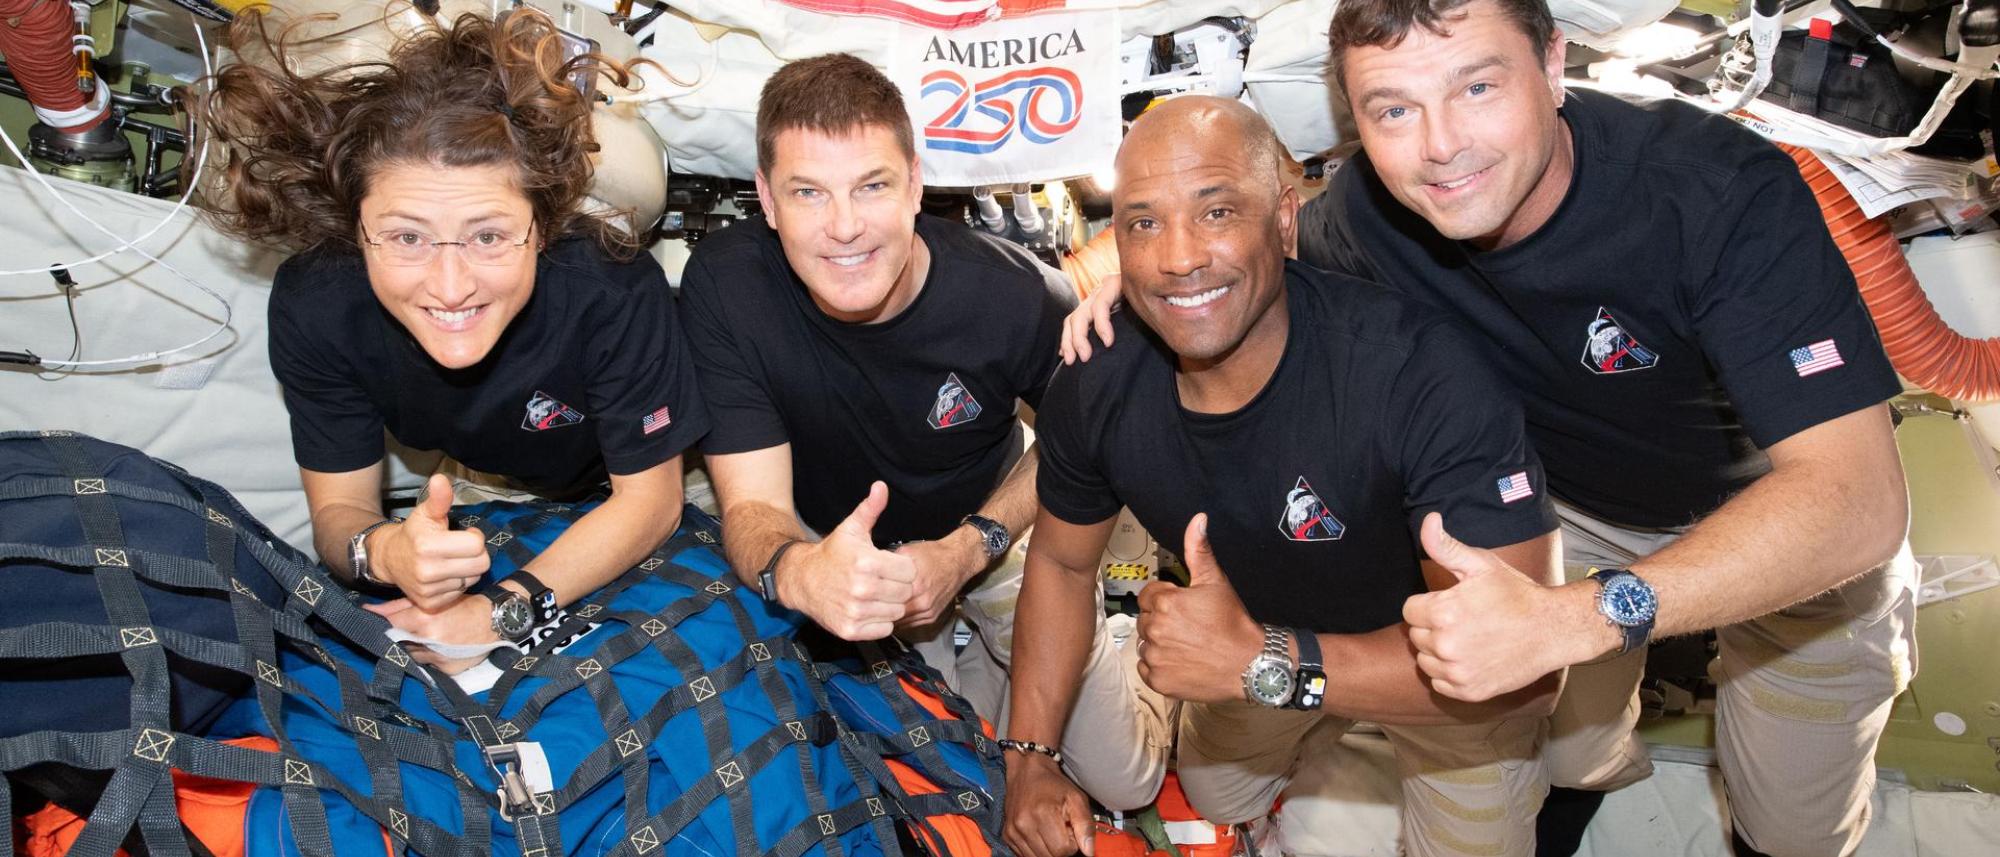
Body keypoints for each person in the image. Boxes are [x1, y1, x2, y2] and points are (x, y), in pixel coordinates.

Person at [1063, 1, 1914, 854]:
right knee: (1576, 754)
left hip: (1784, 515)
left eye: (1476, 85)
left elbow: (1857, 498)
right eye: (1393, 108)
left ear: (1553, 63)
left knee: (1794, 826)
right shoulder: (1368, 212)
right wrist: (1138, 285)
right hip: (1565, 510)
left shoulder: (1710, 190)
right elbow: (1245, 240)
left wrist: (1579, 619)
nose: (1440, 145)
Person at [1009, 94, 1564, 857]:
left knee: (1571, 760)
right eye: (1143, 222)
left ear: (1283, 218)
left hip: (1445, 675)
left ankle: (1365, 737)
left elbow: (1524, 678)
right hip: (1268, 639)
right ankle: (1341, 739)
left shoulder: (1419, 374)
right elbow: (1063, 560)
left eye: (1215, 212)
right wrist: (1030, 757)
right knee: (1216, 790)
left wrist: (1268, 666)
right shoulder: (1097, 380)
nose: (1177, 257)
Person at [675, 54, 1173, 816]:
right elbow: (752, 507)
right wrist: (804, 573)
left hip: (989, 527)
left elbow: (1079, 448)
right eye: (810, 192)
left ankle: (1111, 634)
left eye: (872, 186)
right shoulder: (725, 284)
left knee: (1127, 782)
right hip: (840, 547)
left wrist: (969, 547)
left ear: (914, 185)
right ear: (768, 200)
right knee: (929, 771)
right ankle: (986, 664)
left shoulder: (1013, 295)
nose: (844, 227)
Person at [201, 9, 708, 671]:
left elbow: (650, 501)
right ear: (356, 230)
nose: (449, 286)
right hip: (492, 483)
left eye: (489, 236)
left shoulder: (611, 288)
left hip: (655, 477)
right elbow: (341, 510)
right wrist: (384, 551)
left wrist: (498, 611)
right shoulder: (317, 303)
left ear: (544, 225)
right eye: (407, 237)